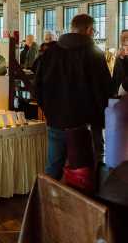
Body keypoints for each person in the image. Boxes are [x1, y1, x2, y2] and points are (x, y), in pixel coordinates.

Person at [36, 14, 112, 180]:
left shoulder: (50, 53)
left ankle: (48, 203)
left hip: (56, 122)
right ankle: (84, 206)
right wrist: (101, 121)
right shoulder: (95, 55)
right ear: (89, 30)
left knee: (53, 169)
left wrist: (50, 111)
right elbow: (104, 92)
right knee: (85, 174)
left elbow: (38, 87)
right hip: (85, 126)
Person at [112, 29, 128, 96]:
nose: (123, 40)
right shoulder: (119, 53)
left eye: (126, 38)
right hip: (118, 89)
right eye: (122, 38)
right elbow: (116, 73)